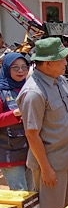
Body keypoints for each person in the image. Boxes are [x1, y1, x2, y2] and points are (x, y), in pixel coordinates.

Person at [16, 37, 68, 208]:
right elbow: (32, 134)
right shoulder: (34, 92)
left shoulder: (59, 80)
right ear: (46, 63)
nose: (65, 62)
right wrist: (45, 169)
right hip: (52, 164)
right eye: (61, 59)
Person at [0, 53, 33, 190]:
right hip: (9, 152)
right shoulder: (2, 91)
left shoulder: (30, 88)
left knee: (33, 193)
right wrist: (15, 113)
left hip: (31, 150)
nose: (20, 71)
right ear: (7, 69)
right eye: (15, 68)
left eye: (24, 67)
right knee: (20, 193)